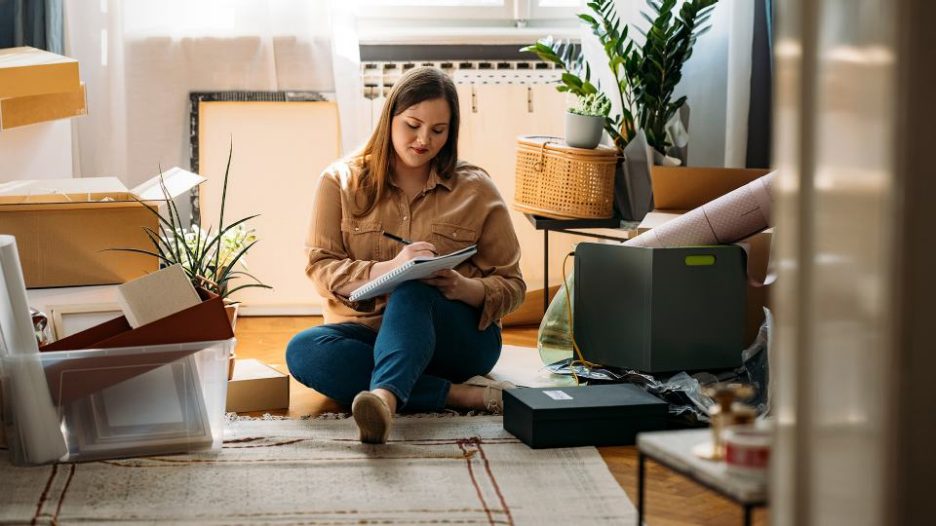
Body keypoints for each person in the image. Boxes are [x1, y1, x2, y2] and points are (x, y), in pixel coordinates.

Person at [286, 66, 526, 444]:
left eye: (438, 130)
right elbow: (320, 267)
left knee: (414, 291)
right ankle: (458, 395)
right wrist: (391, 268)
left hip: (455, 342)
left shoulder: (476, 189)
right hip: (368, 335)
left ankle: (384, 398)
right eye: (412, 125)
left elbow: (512, 285)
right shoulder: (339, 182)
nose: (423, 140)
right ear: (390, 118)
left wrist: (464, 287)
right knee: (303, 351)